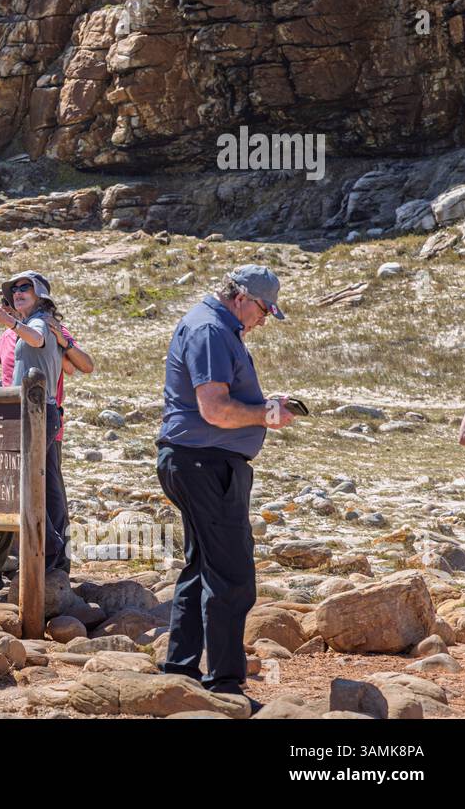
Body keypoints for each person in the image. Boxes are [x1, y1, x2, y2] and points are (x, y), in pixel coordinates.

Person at [157, 266, 294, 700]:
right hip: (205, 463)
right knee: (232, 573)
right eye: (263, 310)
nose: (263, 319)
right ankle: (225, 683)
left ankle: (181, 671)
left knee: (203, 568)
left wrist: (262, 407)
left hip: (199, 461)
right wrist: (266, 414)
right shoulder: (212, 329)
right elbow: (214, 409)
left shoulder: (212, 325)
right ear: (241, 298)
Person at [0, 271, 69, 593]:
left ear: (40, 294)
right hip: (27, 415)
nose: (17, 292)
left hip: (38, 414)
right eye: (14, 289)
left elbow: (36, 339)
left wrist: (9, 321)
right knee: (26, 489)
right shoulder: (26, 325)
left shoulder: (42, 322)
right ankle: (0, 565)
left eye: (24, 288)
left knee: (21, 488)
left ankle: (47, 554)